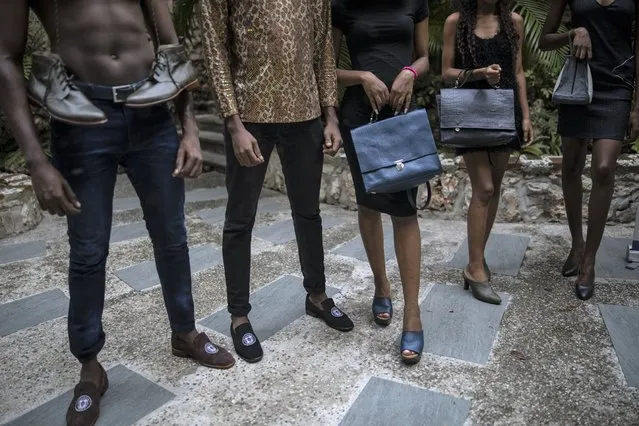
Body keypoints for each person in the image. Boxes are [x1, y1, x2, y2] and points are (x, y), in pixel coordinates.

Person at [0, 1, 235, 425]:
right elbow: (5, 56)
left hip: (152, 113)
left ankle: (185, 333)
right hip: (79, 116)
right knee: (89, 250)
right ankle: (90, 365)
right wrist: (36, 161)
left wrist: (190, 129)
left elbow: (169, 43)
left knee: (172, 236)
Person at [199, 0, 354, 364]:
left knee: (308, 213)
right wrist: (234, 124)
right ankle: (239, 317)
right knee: (240, 219)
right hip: (250, 115)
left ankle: (317, 297)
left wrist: (330, 115)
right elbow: (215, 49)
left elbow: (323, 50)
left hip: (305, 116)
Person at [331, 0, 429, 364]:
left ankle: (413, 315)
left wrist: (410, 73)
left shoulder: (414, 2)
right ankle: (381, 285)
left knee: (405, 211)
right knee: (368, 204)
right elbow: (325, 68)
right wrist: (363, 76)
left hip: (401, 116)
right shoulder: (342, 5)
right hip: (360, 116)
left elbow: (425, 58)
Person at [539, 0, 637, 300]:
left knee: (605, 168)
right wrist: (574, 33)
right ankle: (577, 245)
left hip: (617, 84)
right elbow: (544, 40)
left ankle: (590, 261)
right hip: (579, 80)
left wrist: (637, 105)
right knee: (570, 167)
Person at [442, 0, 532, 304]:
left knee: (493, 191)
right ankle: (476, 268)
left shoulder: (514, 22)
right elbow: (445, 72)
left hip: (505, 115)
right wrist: (479, 73)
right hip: (471, 116)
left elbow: (518, 72)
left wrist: (526, 115)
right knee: (485, 188)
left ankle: (476, 257)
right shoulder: (456, 22)